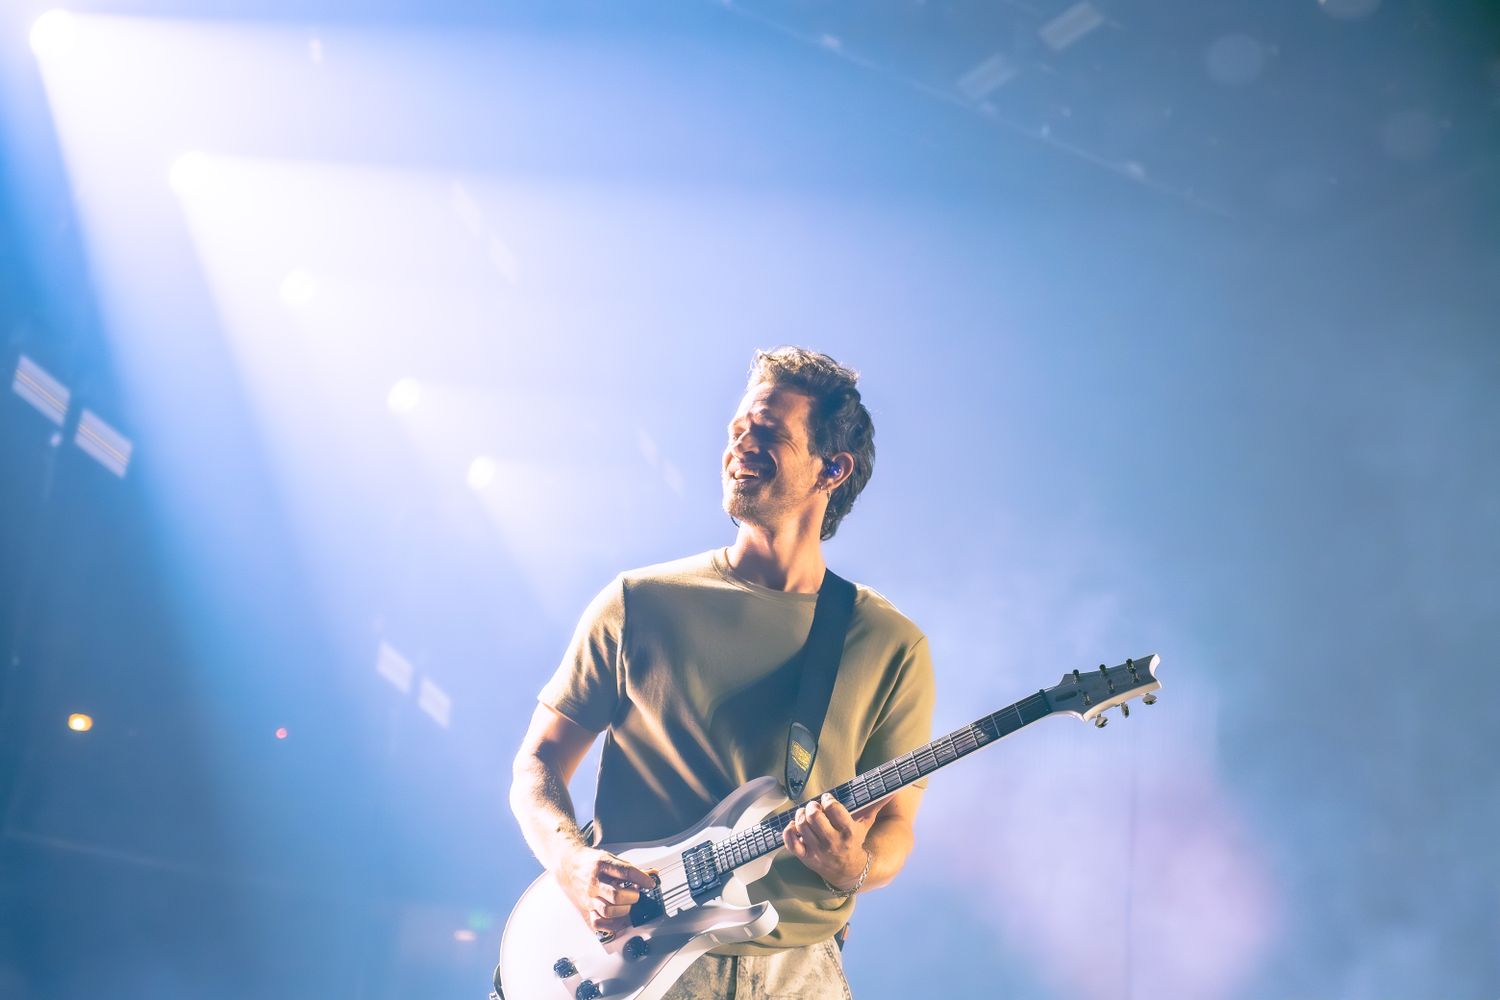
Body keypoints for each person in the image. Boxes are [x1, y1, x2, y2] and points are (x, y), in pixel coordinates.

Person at [509, 347, 935, 998]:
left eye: (768, 432)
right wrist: (570, 861)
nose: (740, 445)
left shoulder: (889, 643)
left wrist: (854, 865)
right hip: (637, 961)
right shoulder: (637, 602)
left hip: (801, 972)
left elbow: (896, 826)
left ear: (834, 468)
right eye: (738, 428)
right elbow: (538, 762)